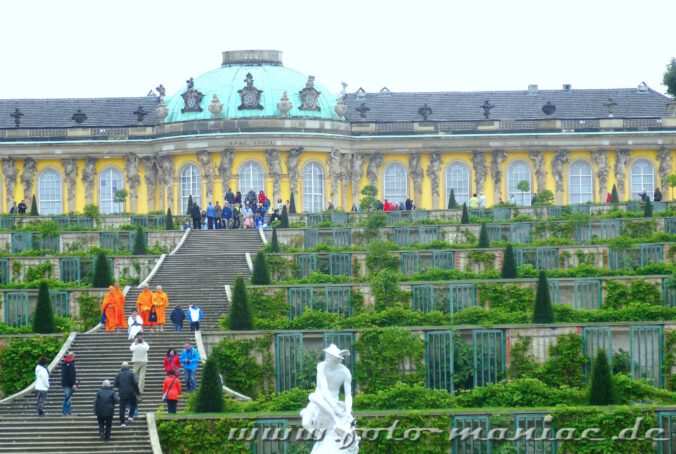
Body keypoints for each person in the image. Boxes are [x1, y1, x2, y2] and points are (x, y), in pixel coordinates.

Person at [300, 344, 357, 452]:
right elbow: (324, 389)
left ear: (337, 359)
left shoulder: (345, 372)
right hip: (319, 398)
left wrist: (348, 412)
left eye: (329, 357)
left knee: (312, 397)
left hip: (333, 399)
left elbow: (348, 395)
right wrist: (335, 408)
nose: (326, 359)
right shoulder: (321, 366)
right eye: (326, 356)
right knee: (306, 422)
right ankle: (320, 437)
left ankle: (330, 433)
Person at [115, 362, 139, 427]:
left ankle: (122, 423)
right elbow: (135, 383)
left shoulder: (118, 375)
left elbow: (115, 384)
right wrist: (138, 393)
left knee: (122, 408)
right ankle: (130, 416)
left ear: (121, 367)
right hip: (131, 393)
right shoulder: (132, 374)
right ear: (128, 367)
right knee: (134, 404)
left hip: (122, 393)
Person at [60, 351, 77, 416]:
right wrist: (73, 384)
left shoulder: (65, 363)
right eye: (74, 357)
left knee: (68, 398)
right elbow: (71, 375)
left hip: (65, 383)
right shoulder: (70, 364)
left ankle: (68, 412)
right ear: (72, 357)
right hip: (69, 384)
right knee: (67, 398)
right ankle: (65, 412)